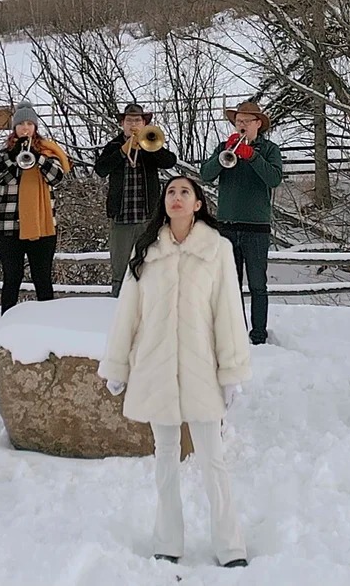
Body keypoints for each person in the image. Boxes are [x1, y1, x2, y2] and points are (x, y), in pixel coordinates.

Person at [98, 175, 252, 569]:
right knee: (165, 456)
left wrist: (231, 371)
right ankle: (167, 541)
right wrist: (117, 364)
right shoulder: (147, 249)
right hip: (155, 366)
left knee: (212, 458)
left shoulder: (218, 249)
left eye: (186, 192)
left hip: (201, 368)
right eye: (171, 192)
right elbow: (128, 311)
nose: (177, 197)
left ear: (198, 203)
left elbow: (229, 313)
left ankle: (230, 546)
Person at [199, 100, 284, 345]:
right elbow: (206, 175)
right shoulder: (224, 147)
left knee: (258, 284)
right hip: (226, 225)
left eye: (246, 120)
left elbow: (274, 179)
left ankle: (259, 335)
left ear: (258, 124)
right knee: (230, 285)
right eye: (238, 121)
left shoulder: (269, 150)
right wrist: (223, 155)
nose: (241, 125)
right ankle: (234, 333)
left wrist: (253, 157)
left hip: (256, 227)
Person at [0, 102, 72, 313]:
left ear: (35, 127)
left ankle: (45, 322)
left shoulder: (48, 153)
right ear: (14, 128)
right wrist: (12, 155)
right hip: (7, 227)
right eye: (21, 124)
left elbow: (57, 177)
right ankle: (8, 321)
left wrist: (37, 157)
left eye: (29, 124)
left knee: (42, 278)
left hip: (41, 228)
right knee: (12, 278)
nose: (25, 128)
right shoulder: (4, 153)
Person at [95, 103, 178, 296]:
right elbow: (101, 169)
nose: (133, 124)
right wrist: (122, 151)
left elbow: (169, 161)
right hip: (121, 216)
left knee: (149, 264)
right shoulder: (113, 146)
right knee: (120, 268)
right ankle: (118, 304)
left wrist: (151, 147)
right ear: (122, 124)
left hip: (147, 217)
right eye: (129, 121)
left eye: (137, 120)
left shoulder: (151, 143)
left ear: (144, 123)